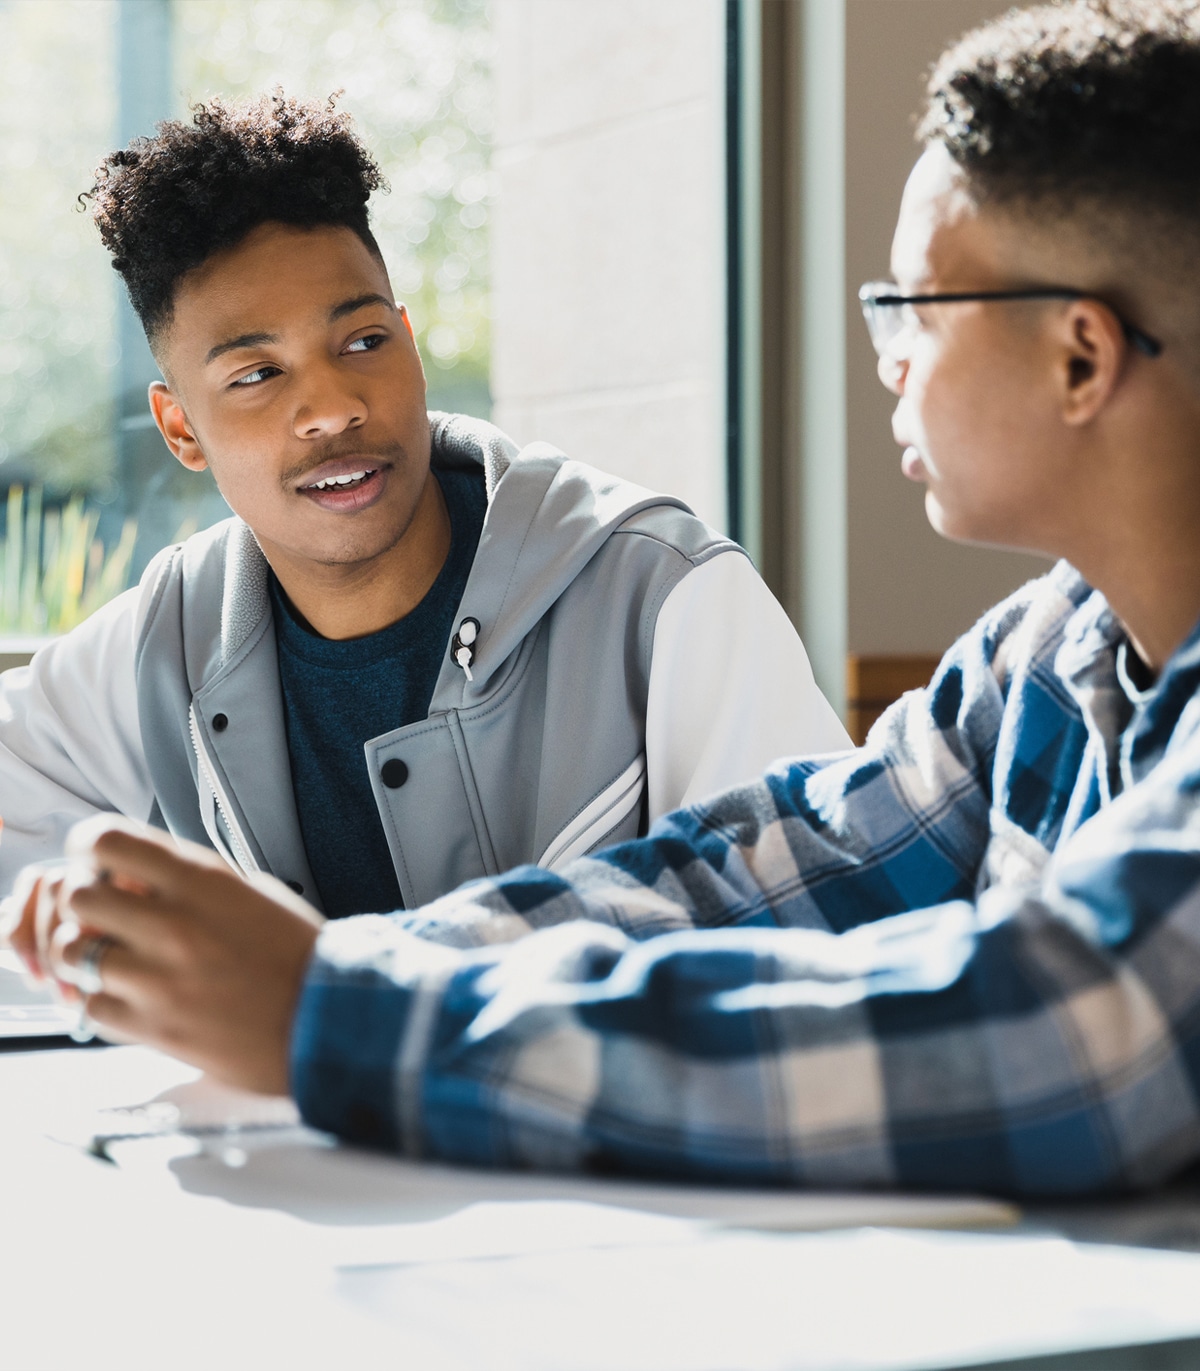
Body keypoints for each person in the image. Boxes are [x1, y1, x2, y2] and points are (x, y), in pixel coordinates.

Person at [24, 0, 1200, 1198]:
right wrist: (329, 977)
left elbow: (1067, 1043)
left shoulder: (659, 582)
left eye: (912, 306)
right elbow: (758, 874)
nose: (887, 357)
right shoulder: (1046, 657)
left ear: (1079, 358)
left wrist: (338, 1017)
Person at [0, 94, 846, 916]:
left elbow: (825, 928)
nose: (333, 406)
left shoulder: (663, 597)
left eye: (364, 342)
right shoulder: (170, 638)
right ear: (181, 427)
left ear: (410, 340)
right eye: (258, 374)